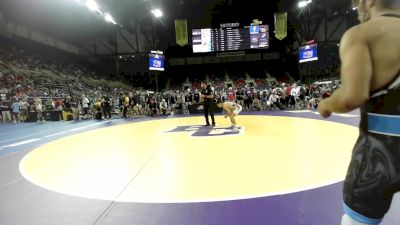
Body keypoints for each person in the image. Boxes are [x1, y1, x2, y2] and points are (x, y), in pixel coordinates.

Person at [317, 1, 400, 224]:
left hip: (381, 154)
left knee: (357, 221)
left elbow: (351, 97)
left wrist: (326, 104)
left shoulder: (361, 35)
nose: (357, 6)